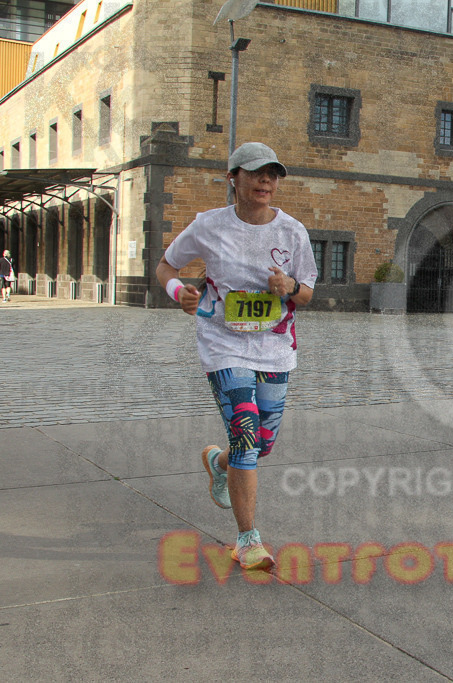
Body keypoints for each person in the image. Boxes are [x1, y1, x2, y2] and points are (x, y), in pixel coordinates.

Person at [157, 142, 317, 571]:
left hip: (275, 348)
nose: (267, 181)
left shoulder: (293, 232)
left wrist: (289, 288)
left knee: (260, 445)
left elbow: (309, 292)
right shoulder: (207, 226)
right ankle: (248, 541)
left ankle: (218, 462)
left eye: (273, 174)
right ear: (234, 179)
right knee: (246, 433)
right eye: (256, 173)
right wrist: (182, 295)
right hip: (223, 343)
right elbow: (165, 268)